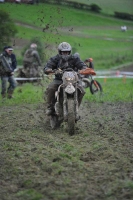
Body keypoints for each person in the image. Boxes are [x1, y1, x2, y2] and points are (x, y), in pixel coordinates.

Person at [44, 42, 87, 115]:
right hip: (59, 80)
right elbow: (47, 67)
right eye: (63, 52)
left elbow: (82, 65)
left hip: (73, 80)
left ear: (69, 52)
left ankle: (76, 108)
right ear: (60, 52)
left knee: (82, 90)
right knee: (51, 88)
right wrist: (50, 70)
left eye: (67, 52)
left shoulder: (74, 58)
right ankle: (50, 107)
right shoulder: (55, 58)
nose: (65, 53)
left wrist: (84, 69)